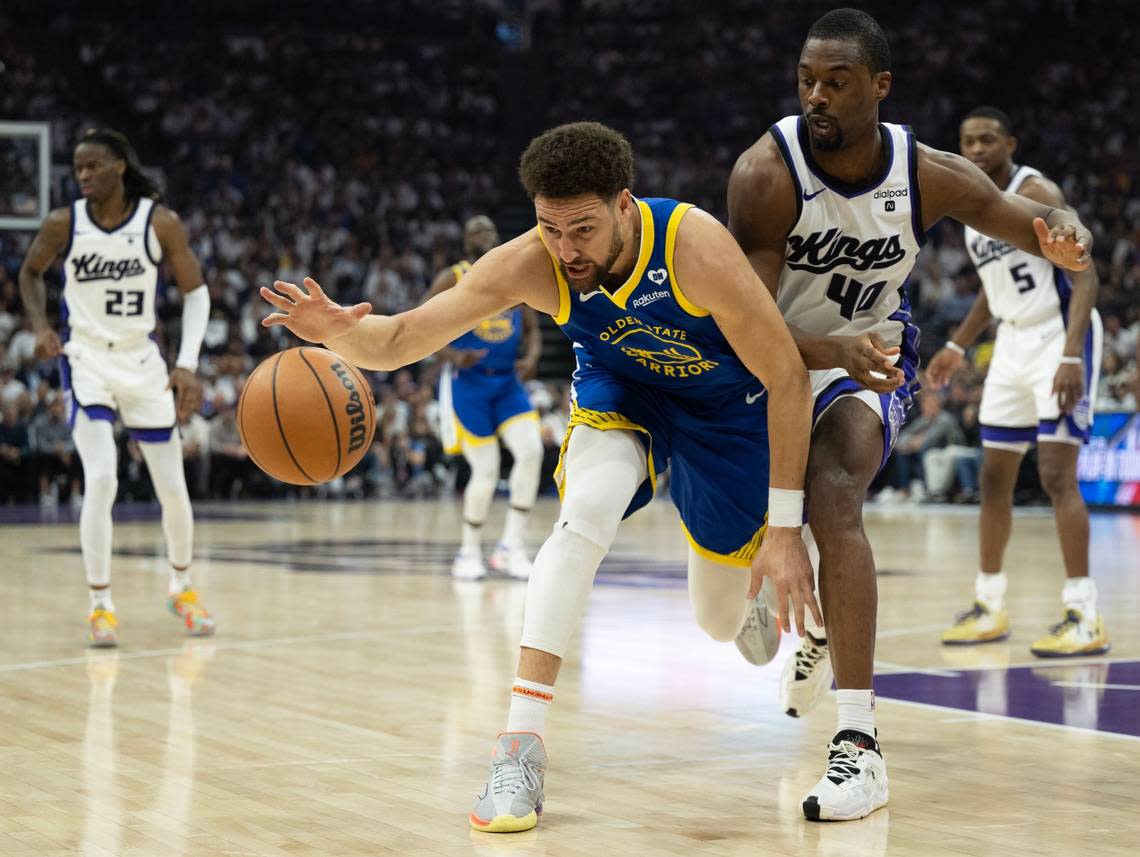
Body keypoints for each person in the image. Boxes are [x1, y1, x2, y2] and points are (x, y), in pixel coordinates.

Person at [261, 121, 820, 832]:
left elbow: (787, 376)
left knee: (717, 621)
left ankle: (759, 596)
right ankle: (519, 748)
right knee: (582, 514)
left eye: (581, 229)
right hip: (623, 390)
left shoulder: (693, 244)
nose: (566, 250)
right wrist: (335, 330)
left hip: (723, 409)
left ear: (624, 205)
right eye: (550, 228)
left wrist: (784, 527)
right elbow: (402, 338)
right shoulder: (533, 261)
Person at [727, 8, 1094, 821]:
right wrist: (827, 352)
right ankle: (815, 622)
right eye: (806, 81)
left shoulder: (926, 172)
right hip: (778, 360)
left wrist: (1063, 234)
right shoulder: (766, 173)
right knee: (727, 594)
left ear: (880, 88)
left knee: (833, 485)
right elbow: (747, 328)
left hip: (874, 364)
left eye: (837, 82)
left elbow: (1027, 222)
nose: (817, 96)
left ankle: (858, 743)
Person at [18, 128, 216, 647]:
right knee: (101, 479)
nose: (82, 176)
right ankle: (101, 604)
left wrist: (188, 364)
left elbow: (196, 295)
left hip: (142, 362)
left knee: (172, 488)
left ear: (119, 167)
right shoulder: (65, 223)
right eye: (78, 168)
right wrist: (41, 327)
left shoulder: (159, 223)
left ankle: (182, 587)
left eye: (93, 167)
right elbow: (30, 274)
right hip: (85, 360)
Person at [927, 106, 1107, 656]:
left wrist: (1072, 354)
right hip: (1010, 340)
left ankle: (1084, 614)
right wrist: (958, 345)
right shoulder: (973, 204)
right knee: (993, 478)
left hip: (1059, 333)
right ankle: (989, 604)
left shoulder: (1034, 187)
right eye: (967, 141)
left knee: (1056, 474)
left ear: (1009, 142)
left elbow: (1086, 270)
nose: (976, 150)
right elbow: (992, 285)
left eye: (986, 140)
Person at [426, 216, 545, 580]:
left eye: (491, 231)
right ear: (466, 242)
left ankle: (511, 547)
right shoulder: (453, 277)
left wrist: (533, 358)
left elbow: (533, 329)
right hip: (469, 382)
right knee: (487, 469)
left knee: (532, 452)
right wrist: (451, 355)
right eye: (477, 231)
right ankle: (468, 551)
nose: (486, 236)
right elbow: (421, 323)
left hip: (507, 382)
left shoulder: (512, 274)